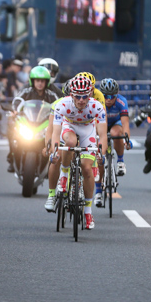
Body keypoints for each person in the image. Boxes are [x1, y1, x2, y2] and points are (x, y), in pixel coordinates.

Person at [46, 74, 107, 230]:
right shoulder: (62, 105)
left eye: (85, 96)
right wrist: (53, 151)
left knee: (87, 169)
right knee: (70, 143)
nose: (81, 100)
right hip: (69, 126)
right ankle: (64, 174)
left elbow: (103, 135)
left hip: (88, 130)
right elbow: (55, 132)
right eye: (78, 96)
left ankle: (88, 211)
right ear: (71, 95)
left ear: (90, 94)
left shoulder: (97, 107)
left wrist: (102, 155)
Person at [6, 66, 59, 173]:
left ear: (47, 82)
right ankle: (12, 158)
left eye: (42, 81)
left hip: (44, 124)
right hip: (28, 123)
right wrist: (14, 111)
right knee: (12, 131)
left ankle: (54, 164)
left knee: (57, 136)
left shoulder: (52, 95)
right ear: (32, 81)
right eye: (37, 80)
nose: (40, 83)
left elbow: (59, 105)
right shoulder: (26, 92)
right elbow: (17, 101)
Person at [95, 78, 132, 207]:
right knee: (99, 153)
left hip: (116, 123)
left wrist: (127, 139)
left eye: (112, 96)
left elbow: (125, 124)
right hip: (101, 124)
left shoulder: (122, 102)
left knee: (117, 134)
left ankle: (120, 161)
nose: (109, 99)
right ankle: (98, 191)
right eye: (105, 96)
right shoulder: (97, 102)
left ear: (117, 95)